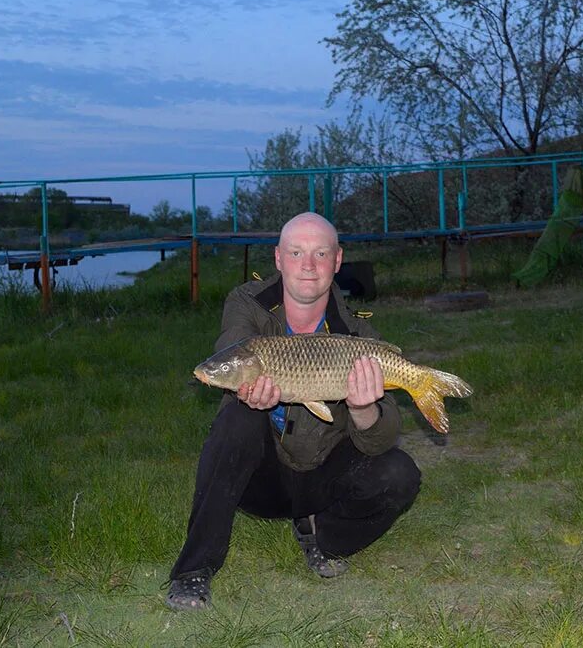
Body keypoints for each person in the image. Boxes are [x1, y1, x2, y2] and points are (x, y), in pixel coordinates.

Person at [165, 212, 421, 611]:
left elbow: (381, 441)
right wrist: (250, 392)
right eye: (296, 252)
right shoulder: (247, 304)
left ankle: (323, 536)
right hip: (260, 479)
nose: (307, 265)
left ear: (337, 262)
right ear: (278, 258)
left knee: (401, 473)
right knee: (237, 415)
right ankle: (192, 571)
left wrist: (364, 407)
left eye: (320, 254)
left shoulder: (357, 336)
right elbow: (234, 349)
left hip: (323, 476)